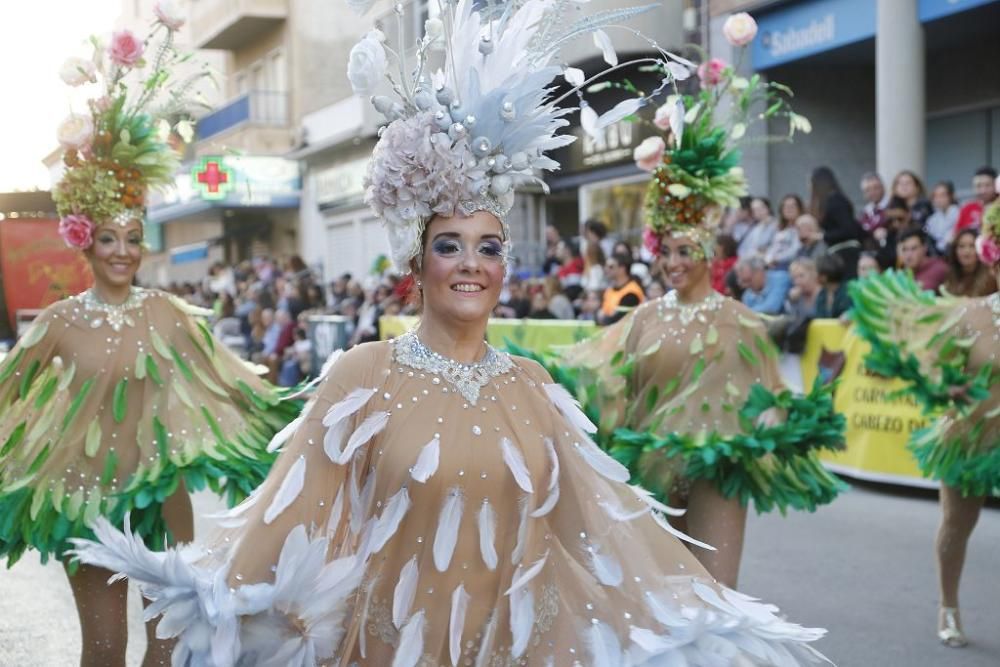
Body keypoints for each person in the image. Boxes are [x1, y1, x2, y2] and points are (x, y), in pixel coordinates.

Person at [72, 4, 829, 663]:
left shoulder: (534, 387)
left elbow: (599, 530)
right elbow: (284, 520)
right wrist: (215, 603)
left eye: (489, 246)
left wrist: (690, 621)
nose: (471, 264)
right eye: (450, 245)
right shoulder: (363, 374)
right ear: (418, 258)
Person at [0, 16, 300, 666]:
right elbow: (5, 400)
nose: (123, 251)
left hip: (163, 500)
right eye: (108, 237)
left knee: (168, 652)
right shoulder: (56, 323)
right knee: (104, 650)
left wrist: (295, 409)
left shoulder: (169, 314)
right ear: (85, 239)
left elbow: (234, 382)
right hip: (84, 501)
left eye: (134, 237)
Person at [551, 40, 844, 588]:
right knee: (663, 596)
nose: (673, 262)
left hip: (720, 467)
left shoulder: (741, 319)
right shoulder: (641, 318)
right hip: (655, 468)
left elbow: (770, 395)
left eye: (685, 251)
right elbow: (601, 380)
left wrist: (803, 408)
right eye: (666, 251)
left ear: (709, 253)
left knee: (716, 594)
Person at [850, 202, 1000, 648]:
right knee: (957, 523)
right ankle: (948, 606)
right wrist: (942, 383)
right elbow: (927, 361)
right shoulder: (968, 313)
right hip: (971, 436)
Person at [810, 166, 863, 277]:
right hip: (839, 253)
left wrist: (822, 236)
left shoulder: (836, 200)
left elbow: (848, 229)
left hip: (846, 253)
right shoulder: (831, 201)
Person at [943, 228, 997, 298]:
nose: (966, 251)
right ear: (955, 251)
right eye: (961, 246)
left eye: (972, 246)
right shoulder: (951, 274)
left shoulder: (990, 276)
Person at [599, 251, 645, 325]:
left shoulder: (632, 292)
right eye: (606, 266)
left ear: (622, 268)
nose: (606, 269)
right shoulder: (609, 290)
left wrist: (602, 318)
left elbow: (617, 319)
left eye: (611, 267)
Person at [898, 228, 948, 292]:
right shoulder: (904, 273)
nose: (908, 255)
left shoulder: (938, 268)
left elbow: (922, 292)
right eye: (904, 250)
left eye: (914, 249)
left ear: (924, 248)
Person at [955, 166, 998, 233]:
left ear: (996, 186)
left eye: (987, 185)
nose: (983, 190)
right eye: (978, 186)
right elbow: (956, 236)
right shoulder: (967, 208)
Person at [765, 194, 803, 269]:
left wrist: (776, 259)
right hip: (774, 267)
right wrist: (768, 259)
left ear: (799, 209)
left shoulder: (802, 227)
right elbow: (772, 247)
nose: (788, 209)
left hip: (792, 267)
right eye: (785, 207)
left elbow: (795, 250)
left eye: (792, 206)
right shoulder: (779, 228)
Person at [926, 181, 961, 254]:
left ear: (950, 196)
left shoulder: (959, 213)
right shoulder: (931, 219)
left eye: (942, 195)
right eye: (936, 196)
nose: (939, 199)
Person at [814, 254, 851, 318]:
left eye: (815, 272)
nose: (813, 276)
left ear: (824, 277)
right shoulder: (821, 295)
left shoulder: (849, 292)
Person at [858, 171, 891, 237]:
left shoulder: (893, 205)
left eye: (876, 188)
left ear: (883, 188)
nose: (872, 192)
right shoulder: (864, 212)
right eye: (867, 190)